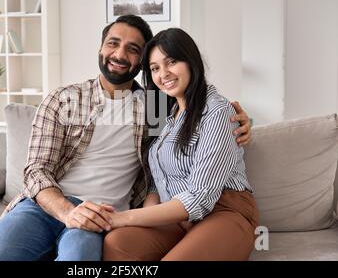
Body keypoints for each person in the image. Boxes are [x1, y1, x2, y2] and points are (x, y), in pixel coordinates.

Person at [0, 16, 252, 261]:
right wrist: (69, 213)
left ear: (139, 61)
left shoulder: (155, 105)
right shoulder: (63, 99)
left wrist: (242, 120)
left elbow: (202, 110)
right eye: (113, 43)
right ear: (100, 48)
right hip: (47, 207)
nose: (119, 54)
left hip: (103, 212)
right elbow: (35, 171)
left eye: (133, 49)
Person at [102, 28, 259, 261]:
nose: (163, 73)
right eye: (154, 68)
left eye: (171, 62)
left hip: (223, 210)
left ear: (191, 60)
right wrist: (144, 220)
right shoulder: (166, 112)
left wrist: (124, 218)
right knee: (117, 244)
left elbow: (200, 196)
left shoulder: (218, 111)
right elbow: (157, 183)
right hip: (176, 216)